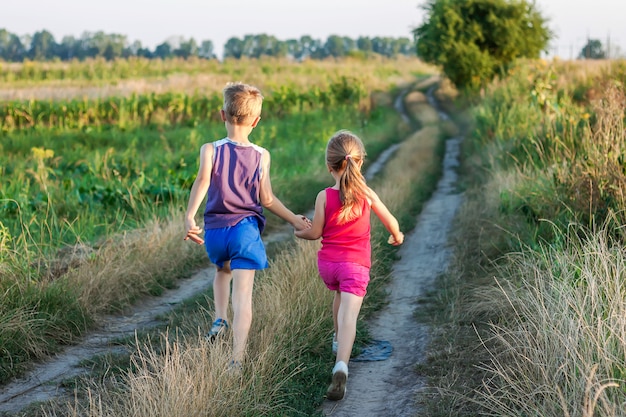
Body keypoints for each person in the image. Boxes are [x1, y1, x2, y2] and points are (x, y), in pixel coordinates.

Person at [184, 82, 310, 368]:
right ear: (256, 121)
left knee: (221, 270)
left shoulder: (210, 150)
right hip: (245, 232)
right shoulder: (261, 155)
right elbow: (267, 199)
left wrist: (189, 216)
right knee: (243, 298)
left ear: (222, 115)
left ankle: (219, 318)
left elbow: (202, 182)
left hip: (215, 231)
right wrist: (294, 219)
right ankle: (236, 360)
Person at [295, 130, 404, 401]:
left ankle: (336, 341)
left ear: (329, 166)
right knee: (349, 317)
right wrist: (397, 234)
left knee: (339, 297)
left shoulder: (324, 196)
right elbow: (389, 218)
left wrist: (299, 231)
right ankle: (341, 365)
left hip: (329, 265)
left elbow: (315, 233)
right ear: (360, 162)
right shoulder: (365, 193)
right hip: (355, 266)